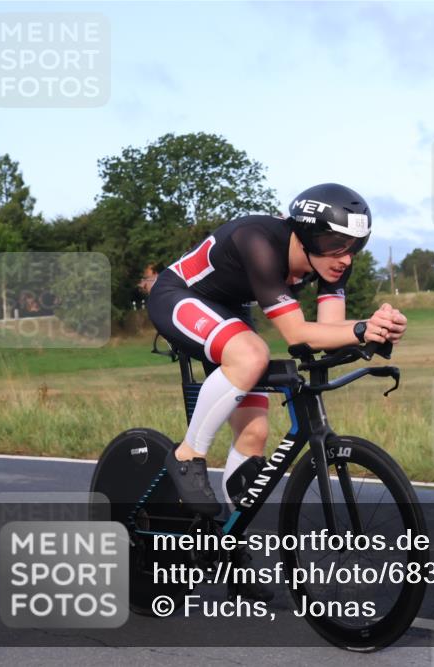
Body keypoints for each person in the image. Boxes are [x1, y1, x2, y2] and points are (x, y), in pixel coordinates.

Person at [146, 183, 407, 599]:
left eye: (354, 246)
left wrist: (374, 327)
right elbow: (295, 332)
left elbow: (324, 334)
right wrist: (358, 329)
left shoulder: (335, 264)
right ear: (304, 235)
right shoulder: (260, 240)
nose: (345, 257)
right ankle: (187, 455)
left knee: (254, 435)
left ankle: (229, 547)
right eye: (335, 244)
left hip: (229, 311)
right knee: (251, 354)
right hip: (181, 296)